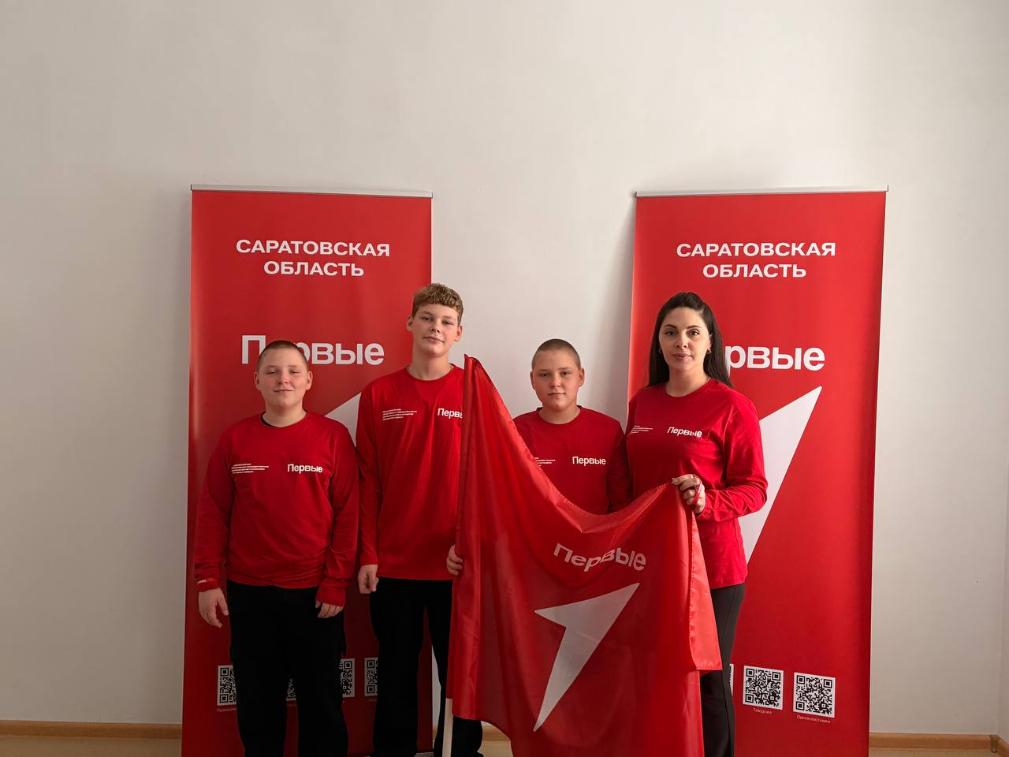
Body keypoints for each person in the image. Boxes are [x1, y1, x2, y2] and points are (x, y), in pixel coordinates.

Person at [193, 340, 358, 757]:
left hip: (315, 596)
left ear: (308, 380)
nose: (283, 379)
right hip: (250, 594)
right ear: (257, 381)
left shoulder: (333, 437)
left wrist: (336, 582)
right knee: (257, 702)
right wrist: (207, 579)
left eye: (293, 371)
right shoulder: (235, 440)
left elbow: (349, 516)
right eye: (272, 371)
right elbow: (212, 513)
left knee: (321, 702)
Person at [625, 292, 767, 757]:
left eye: (692, 332)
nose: (680, 342)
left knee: (708, 681)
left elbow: (755, 489)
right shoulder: (643, 403)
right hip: (652, 566)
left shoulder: (732, 406)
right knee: (657, 676)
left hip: (714, 571)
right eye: (670, 332)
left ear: (710, 343)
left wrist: (707, 501)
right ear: (658, 342)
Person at [356, 283, 483, 757]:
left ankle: (460, 753)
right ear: (410, 323)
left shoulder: (474, 391)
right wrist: (368, 553)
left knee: (459, 676)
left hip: (456, 565)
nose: (436, 328)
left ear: (459, 333)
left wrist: (471, 545)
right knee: (395, 673)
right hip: (393, 565)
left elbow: (489, 480)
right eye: (427, 318)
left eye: (446, 322)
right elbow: (368, 481)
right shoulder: (378, 393)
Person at [446, 338, 631, 576]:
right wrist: (465, 545)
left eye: (565, 373)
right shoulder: (513, 432)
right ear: (532, 380)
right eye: (544, 375)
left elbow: (622, 508)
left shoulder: (608, 430)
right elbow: (494, 503)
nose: (555, 382)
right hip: (532, 564)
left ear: (581, 376)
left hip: (591, 563)